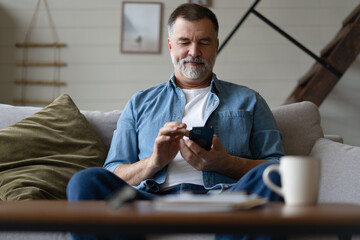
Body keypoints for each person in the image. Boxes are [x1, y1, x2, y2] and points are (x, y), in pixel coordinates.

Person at [67, 3, 285, 240]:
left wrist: (225, 163)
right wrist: (154, 162)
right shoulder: (140, 102)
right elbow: (113, 172)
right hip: (148, 202)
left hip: (227, 201)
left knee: (277, 178)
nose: (194, 51)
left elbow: (279, 168)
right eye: (184, 42)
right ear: (170, 45)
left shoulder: (250, 100)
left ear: (216, 46)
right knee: (85, 181)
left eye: (204, 42)